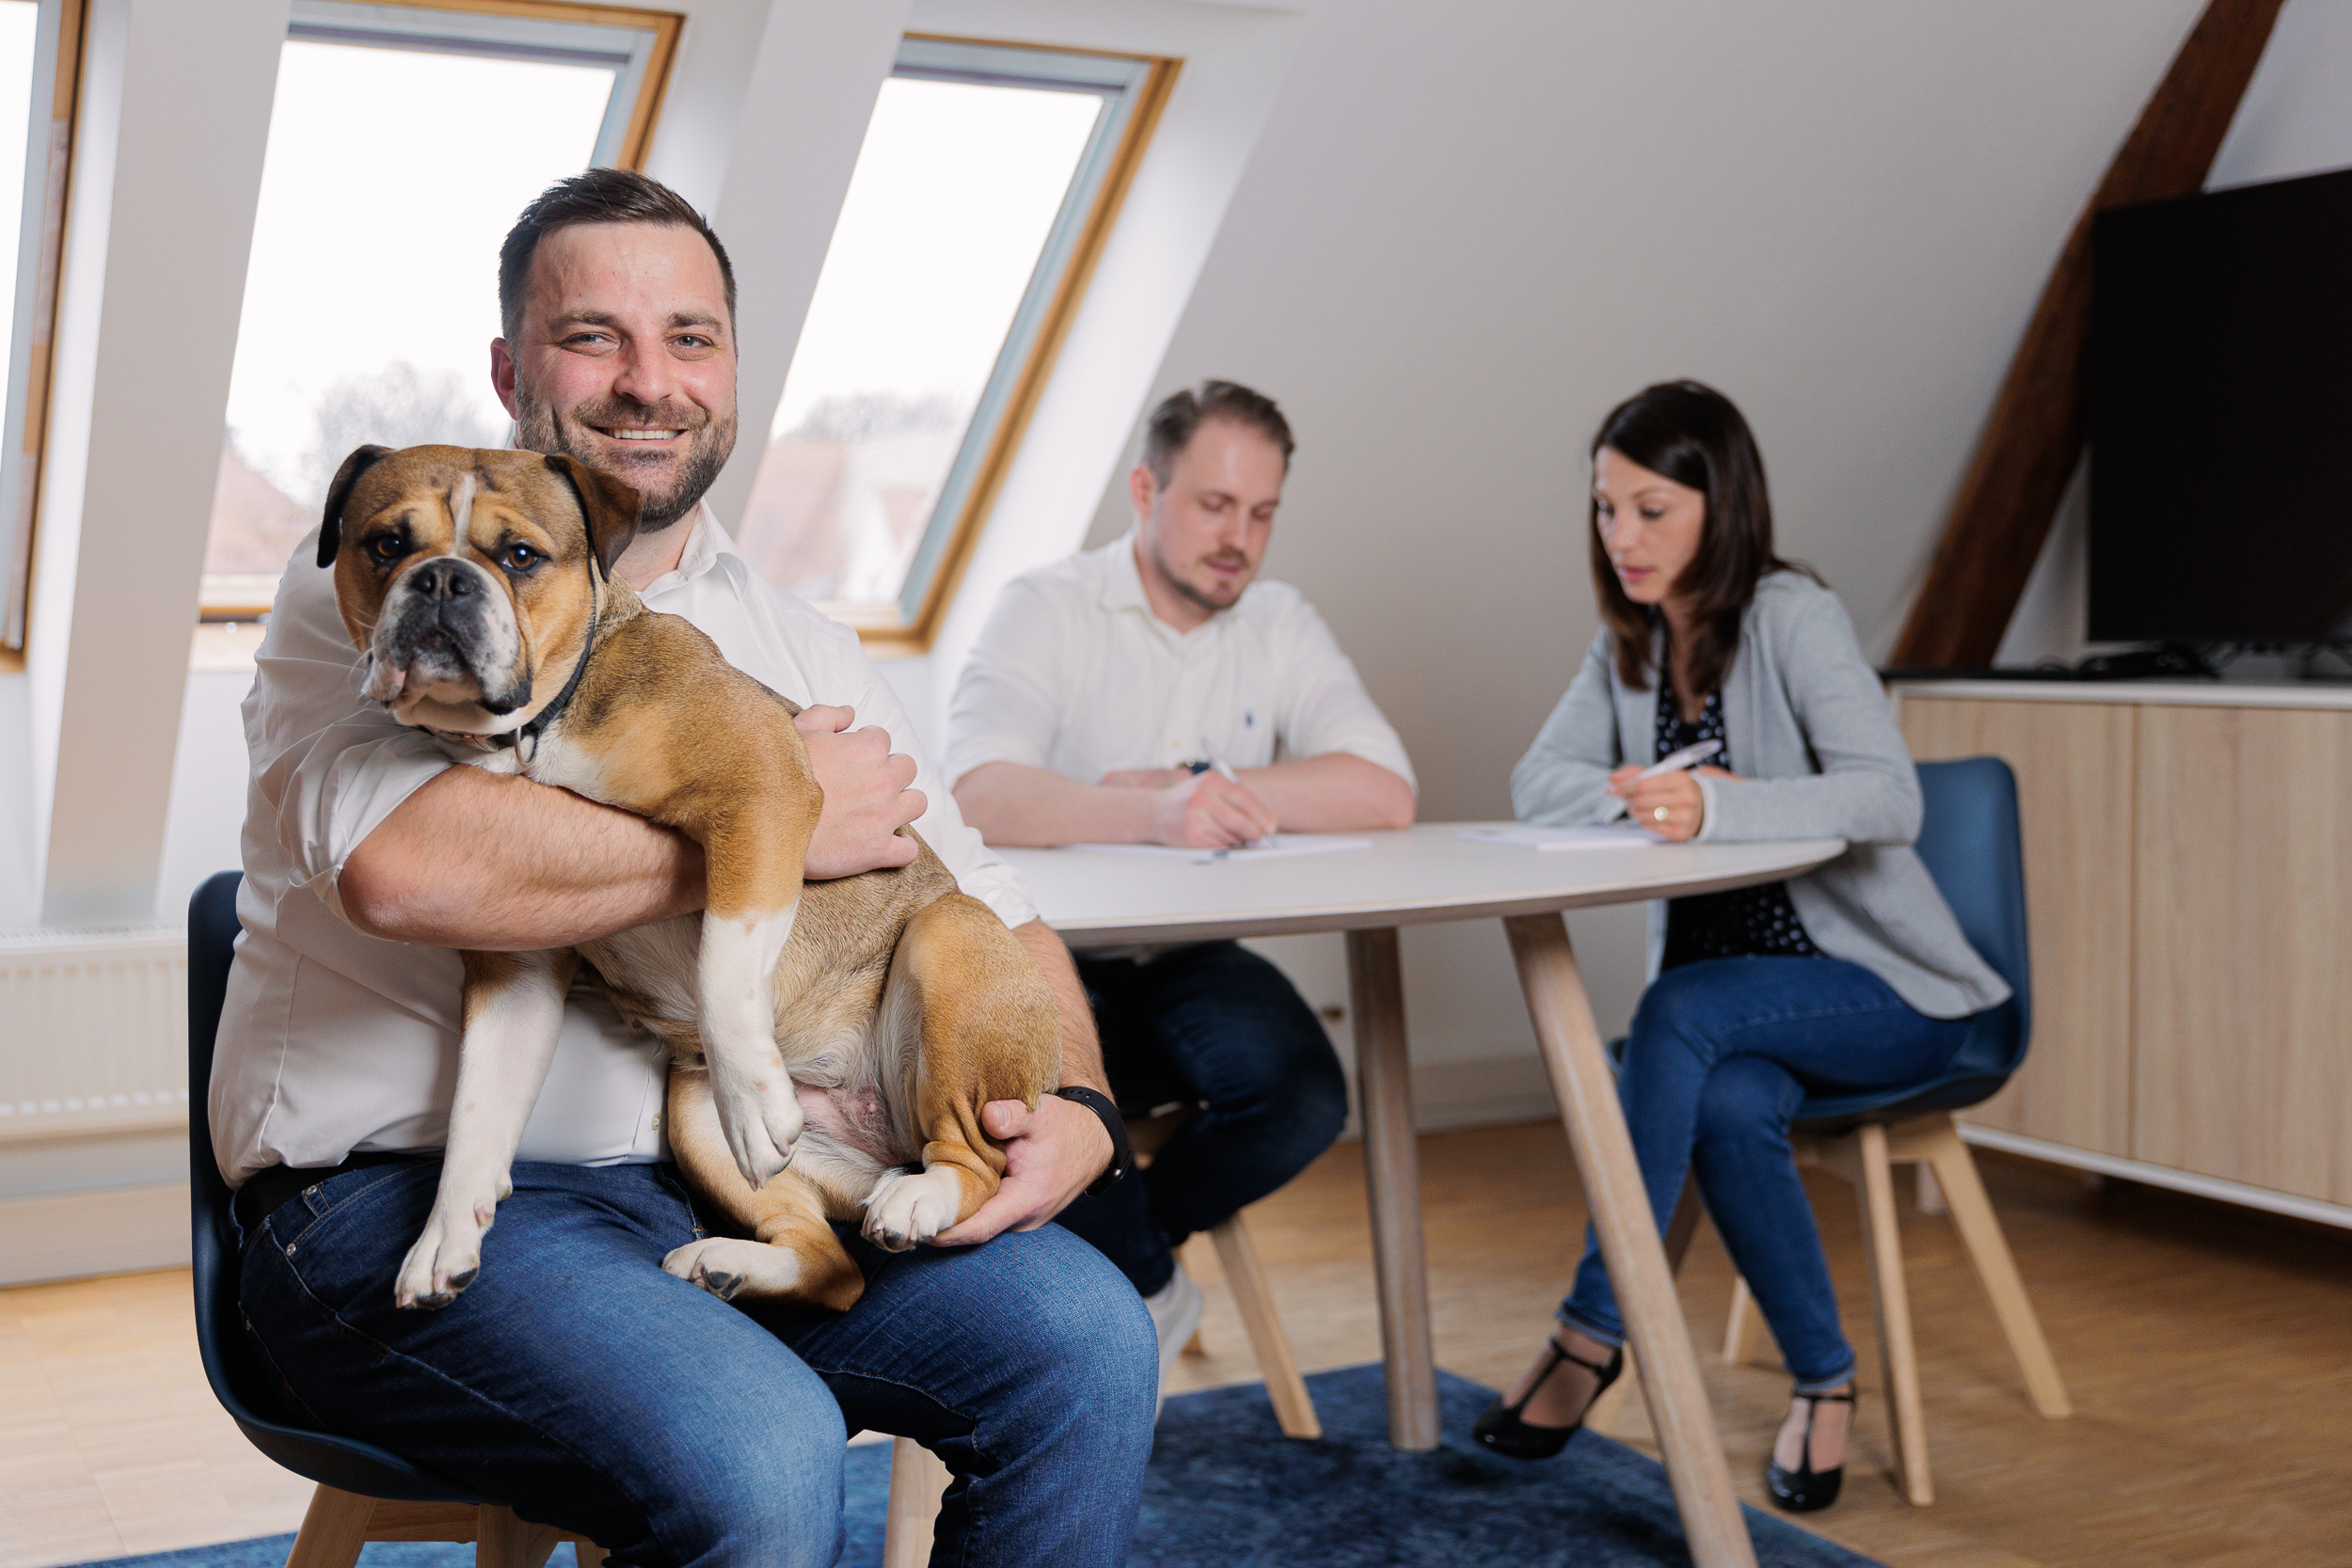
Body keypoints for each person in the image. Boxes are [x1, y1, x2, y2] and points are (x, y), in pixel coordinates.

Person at [211, 169, 1155, 1568]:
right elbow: (409, 873)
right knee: (757, 1449)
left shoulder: (798, 644)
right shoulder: (372, 581)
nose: (649, 382)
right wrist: (772, 824)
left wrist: (1078, 1100)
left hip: (736, 1174)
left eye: (690, 338)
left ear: (732, 372)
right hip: (385, 1194)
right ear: (510, 370)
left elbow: (992, 913)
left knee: (1087, 1338)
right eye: (592, 335)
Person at [1486, 381, 2010, 1512]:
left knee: (1673, 1015)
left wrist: (1718, 805)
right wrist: (1637, 790)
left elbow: (1890, 797)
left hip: (1884, 990)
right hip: (1739, 1012)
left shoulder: (1793, 616)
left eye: (1651, 510)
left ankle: (1589, 1333)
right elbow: (1537, 781)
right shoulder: (1629, 642)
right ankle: (1825, 1382)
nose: (1621, 537)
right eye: (1605, 508)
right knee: (1723, 1100)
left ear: (1718, 507)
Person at [946, 381, 1417, 1384]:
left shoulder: (1280, 620)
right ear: (1145, 490)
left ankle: (1135, 1268)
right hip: (1054, 958)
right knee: (1042, 1095)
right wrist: (1151, 813)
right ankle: (1151, 1290)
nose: (1239, 538)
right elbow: (976, 790)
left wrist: (1214, 787)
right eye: (1214, 504)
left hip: (1191, 956)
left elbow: (1383, 789)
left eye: (1262, 513)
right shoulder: (1046, 604)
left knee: (1302, 1098)